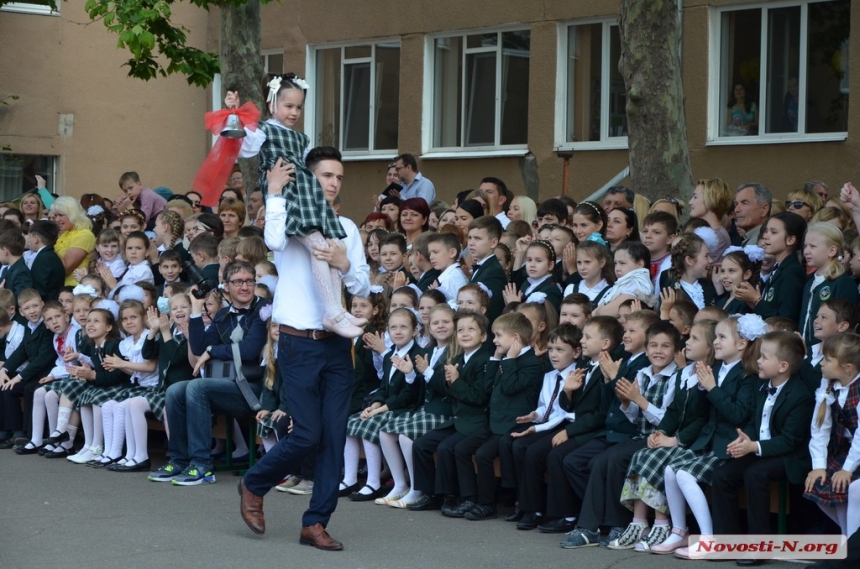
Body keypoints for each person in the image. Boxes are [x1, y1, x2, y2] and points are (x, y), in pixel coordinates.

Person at [238, 146, 370, 550]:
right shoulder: (292, 219)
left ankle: (315, 523)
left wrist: (344, 262)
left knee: (333, 436)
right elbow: (273, 239)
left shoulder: (346, 226)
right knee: (307, 434)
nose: (333, 183)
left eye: (338, 177)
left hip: (337, 346)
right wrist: (275, 192)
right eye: (326, 175)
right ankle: (254, 482)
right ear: (310, 180)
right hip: (297, 343)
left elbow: (363, 284)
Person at [227, 73, 363, 338]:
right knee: (320, 248)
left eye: (299, 107)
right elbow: (244, 147)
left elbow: (305, 167)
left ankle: (337, 309)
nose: (294, 112)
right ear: (272, 105)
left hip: (306, 195)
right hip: (288, 197)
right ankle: (333, 311)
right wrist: (234, 112)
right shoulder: (264, 129)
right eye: (288, 106)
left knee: (327, 247)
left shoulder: (301, 139)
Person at [148, 260, 270, 486]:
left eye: (249, 281)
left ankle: (202, 465)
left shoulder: (263, 310)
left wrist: (213, 350)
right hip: (226, 384)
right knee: (175, 390)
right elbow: (198, 347)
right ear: (226, 286)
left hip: (253, 389)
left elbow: (250, 350)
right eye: (238, 282)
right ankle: (179, 460)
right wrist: (196, 308)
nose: (244, 287)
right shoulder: (223, 314)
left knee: (196, 386)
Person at [49, 197, 96, 286]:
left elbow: (66, 268)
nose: (57, 219)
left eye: (61, 215)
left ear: (72, 214)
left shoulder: (84, 235)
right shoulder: (64, 233)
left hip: (75, 289)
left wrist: (48, 244)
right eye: (55, 216)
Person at [734, 182, 772, 247]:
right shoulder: (749, 238)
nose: (736, 210)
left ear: (764, 209)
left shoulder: (763, 243)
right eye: (736, 204)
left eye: (744, 203)